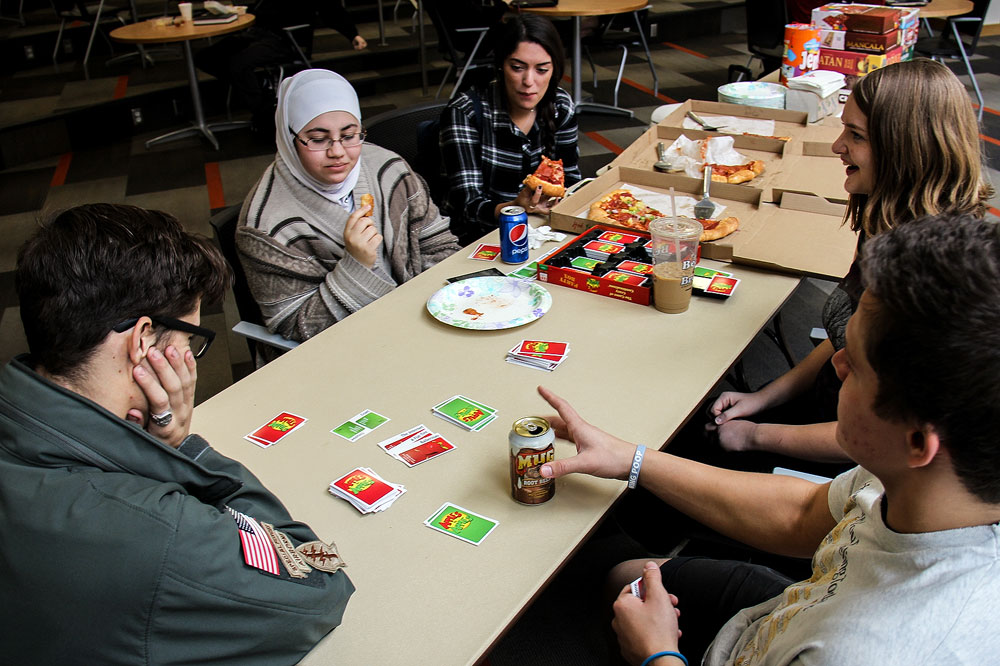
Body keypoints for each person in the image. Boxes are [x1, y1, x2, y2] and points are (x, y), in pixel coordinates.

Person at [537, 212, 1000, 665]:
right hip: (786, 612)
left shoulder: (858, 650)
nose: (835, 365)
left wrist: (657, 654)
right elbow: (802, 514)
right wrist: (631, 459)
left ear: (919, 443)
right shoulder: (925, 480)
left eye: (854, 366)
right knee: (619, 574)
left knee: (597, 586)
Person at [1, 204, 354, 664]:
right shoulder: (163, 535)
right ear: (143, 340)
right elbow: (320, 586)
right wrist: (182, 450)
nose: (190, 360)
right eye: (190, 341)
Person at [702, 58, 992, 470]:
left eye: (854, 135)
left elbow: (882, 436)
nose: (838, 146)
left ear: (903, 149)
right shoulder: (887, 223)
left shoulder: (931, 279)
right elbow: (848, 343)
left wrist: (755, 434)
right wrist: (765, 397)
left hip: (853, 452)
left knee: (657, 487)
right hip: (832, 410)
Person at [237, 69, 460, 359]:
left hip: (415, 328)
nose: (338, 152)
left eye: (349, 135)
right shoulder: (266, 227)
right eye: (318, 139)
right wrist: (355, 266)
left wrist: (434, 311)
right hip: (336, 354)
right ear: (288, 138)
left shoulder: (388, 168)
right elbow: (294, 325)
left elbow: (439, 245)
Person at [440, 14, 582, 246]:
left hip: (542, 229)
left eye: (542, 70)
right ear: (500, 66)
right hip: (476, 238)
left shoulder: (560, 106)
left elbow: (572, 181)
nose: (529, 81)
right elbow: (467, 206)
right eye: (517, 68)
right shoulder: (466, 112)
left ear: (554, 70)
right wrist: (515, 208)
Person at [194, 0, 367, 134]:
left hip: (286, 40)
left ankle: (264, 114)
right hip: (256, 33)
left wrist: (353, 34)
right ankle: (257, 84)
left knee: (238, 64)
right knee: (205, 57)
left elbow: (333, 12)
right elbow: (261, 9)